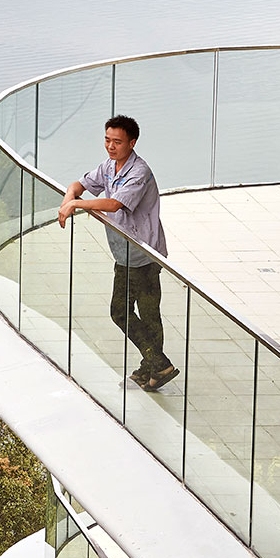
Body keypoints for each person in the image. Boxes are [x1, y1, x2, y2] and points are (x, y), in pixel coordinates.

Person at [57, 114, 180, 392]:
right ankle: (154, 366)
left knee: (129, 312)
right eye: (107, 140)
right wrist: (70, 199)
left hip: (143, 254)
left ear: (132, 142)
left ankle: (157, 364)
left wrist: (77, 204)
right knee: (131, 312)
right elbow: (78, 185)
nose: (111, 147)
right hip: (124, 253)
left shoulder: (139, 172)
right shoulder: (109, 167)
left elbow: (114, 204)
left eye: (117, 142)